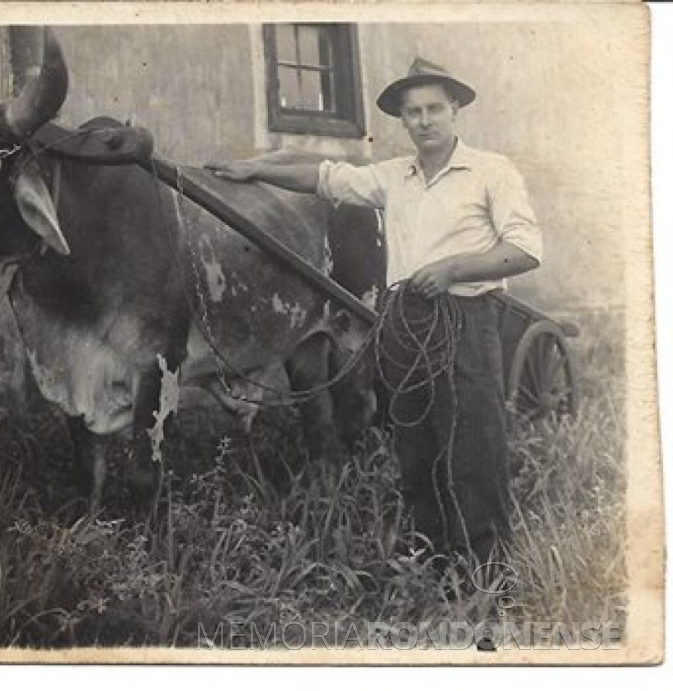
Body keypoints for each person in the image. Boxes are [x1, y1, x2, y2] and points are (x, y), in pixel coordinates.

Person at [207, 57, 542, 563]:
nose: (424, 120)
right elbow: (324, 177)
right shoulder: (394, 176)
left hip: (467, 321)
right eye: (413, 112)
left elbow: (525, 249)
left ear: (455, 110)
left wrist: (455, 267)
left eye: (434, 108)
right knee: (416, 447)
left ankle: (487, 573)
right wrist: (257, 169)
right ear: (402, 120)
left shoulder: (491, 171)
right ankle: (434, 560)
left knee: (473, 449)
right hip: (404, 323)